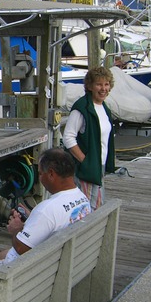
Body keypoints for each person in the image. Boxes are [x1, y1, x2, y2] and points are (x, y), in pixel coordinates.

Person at [0, 148, 91, 302]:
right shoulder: (82, 198)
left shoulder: (47, 210)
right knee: (1, 253)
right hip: (57, 264)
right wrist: (32, 219)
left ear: (51, 174)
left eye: (41, 174)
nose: (40, 178)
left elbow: (21, 249)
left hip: (28, 274)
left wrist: (16, 230)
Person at [63, 66, 116, 210]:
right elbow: (68, 137)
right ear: (90, 86)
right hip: (86, 169)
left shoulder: (104, 108)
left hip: (99, 167)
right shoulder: (82, 108)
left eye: (106, 84)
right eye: (99, 84)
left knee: (97, 205)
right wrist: (85, 161)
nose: (103, 88)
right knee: (88, 208)